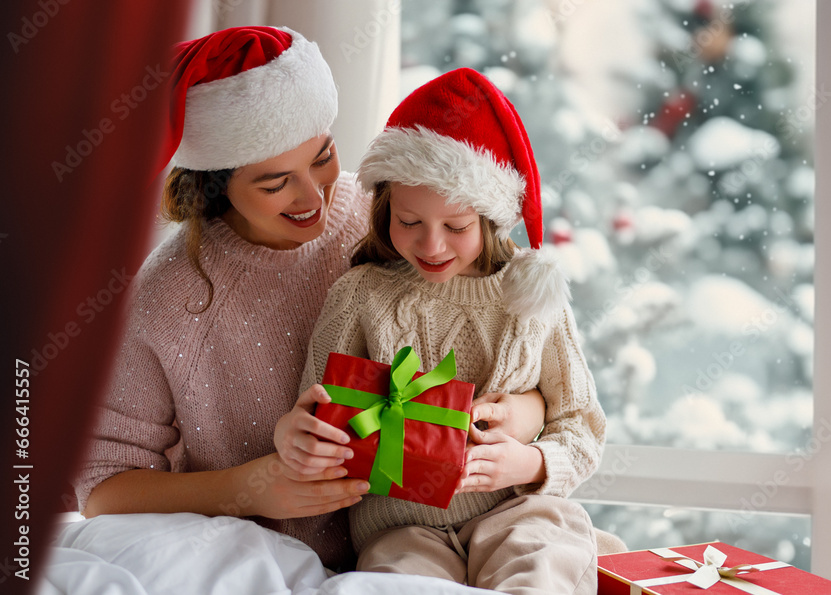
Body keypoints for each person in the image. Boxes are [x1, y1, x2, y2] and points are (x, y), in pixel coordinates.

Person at [73, 26, 546, 573]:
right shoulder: (172, 298)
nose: (314, 194)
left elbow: (519, 347)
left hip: (440, 535)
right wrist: (248, 488)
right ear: (214, 183)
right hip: (277, 565)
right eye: (275, 184)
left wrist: (522, 414)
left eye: (322, 157)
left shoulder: (398, 221)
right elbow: (102, 490)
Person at [276, 67, 607, 593]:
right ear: (385, 207)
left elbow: (582, 425)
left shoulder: (531, 297)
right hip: (401, 527)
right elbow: (317, 408)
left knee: (544, 562)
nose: (431, 245)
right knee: (399, 582)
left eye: (455, 227)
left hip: (520, 510)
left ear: (491, 218)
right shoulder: (361, 295)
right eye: (409, 221)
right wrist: (294, 435)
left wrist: (530, 461)